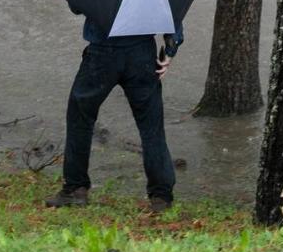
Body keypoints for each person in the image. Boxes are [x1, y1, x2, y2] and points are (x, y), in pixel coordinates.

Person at [45, 11, 183, 213]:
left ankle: (75, 189)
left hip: (101, 52)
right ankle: (161, 196)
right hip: (142, 52)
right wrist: (171, 47)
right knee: (151, 125)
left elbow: (77, 5)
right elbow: (172, 5)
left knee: (80, 117)